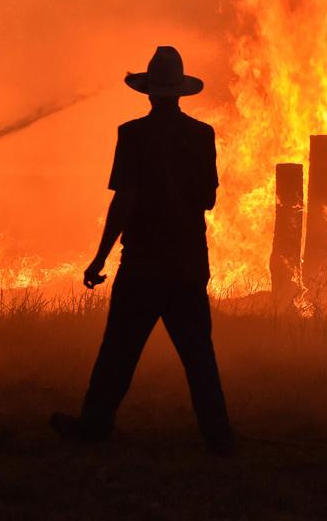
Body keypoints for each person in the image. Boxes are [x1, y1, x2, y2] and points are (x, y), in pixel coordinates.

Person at [50, 46, 234, 453]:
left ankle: (94, 426)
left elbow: (124, 200)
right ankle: (219, 438)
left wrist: (100, 258)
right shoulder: (202, 136)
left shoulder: (132, 134)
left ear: (149, 93)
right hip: (187, 265)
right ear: (179, 93)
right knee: (199, 355)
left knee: (118, 350)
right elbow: (208, 200)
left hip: (143, 265)